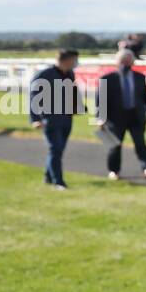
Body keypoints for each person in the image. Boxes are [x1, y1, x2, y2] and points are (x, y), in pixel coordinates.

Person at [29, 48, 86, 189]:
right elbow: (34, 97)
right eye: (74, 60)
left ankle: (49, 177)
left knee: (59, 150)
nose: (76, 63)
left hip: (66, 118)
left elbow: (73, 92)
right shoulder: (44, 75)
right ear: (66, 60)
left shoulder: (69, 74)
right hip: (50, 118)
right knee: (55, 149)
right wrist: (35, 119)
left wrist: (78, 107)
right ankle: (58, 182)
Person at [98, 49, 146, 180]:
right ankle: (114, 170)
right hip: (115, 118)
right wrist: (100, 119)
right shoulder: (106, 79)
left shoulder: (139, 77)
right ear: (117, 62)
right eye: (123, 61)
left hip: (136, 117)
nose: (125, 64)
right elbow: (100, 100)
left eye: (128, 61)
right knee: (115, 145)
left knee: (140, 144)